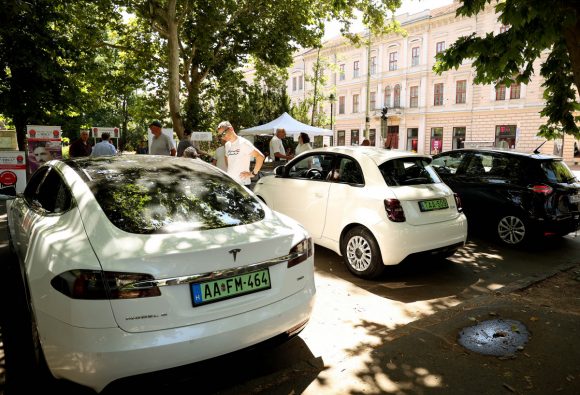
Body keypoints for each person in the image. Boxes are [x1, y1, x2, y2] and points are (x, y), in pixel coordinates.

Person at [218, 120, 264, 186]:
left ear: (231, 128)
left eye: (224, 133)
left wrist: (252, 174)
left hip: (243, 184)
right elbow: (226, 157)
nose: (223, 137)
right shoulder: (227, 145)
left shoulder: (243, 143)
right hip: (232, 183)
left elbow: (260, 157)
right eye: (220, 135)